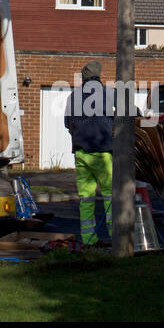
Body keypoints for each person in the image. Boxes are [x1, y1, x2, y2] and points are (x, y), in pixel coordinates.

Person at [63, 60, 115, 247]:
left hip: (81, 153)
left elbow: (67, 124)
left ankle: (89, 240)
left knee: (86, 199)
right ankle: (116, 238)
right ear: (99, 76)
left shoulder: (73, 96)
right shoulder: (109, 93)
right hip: (103, 153)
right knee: (111, 196)